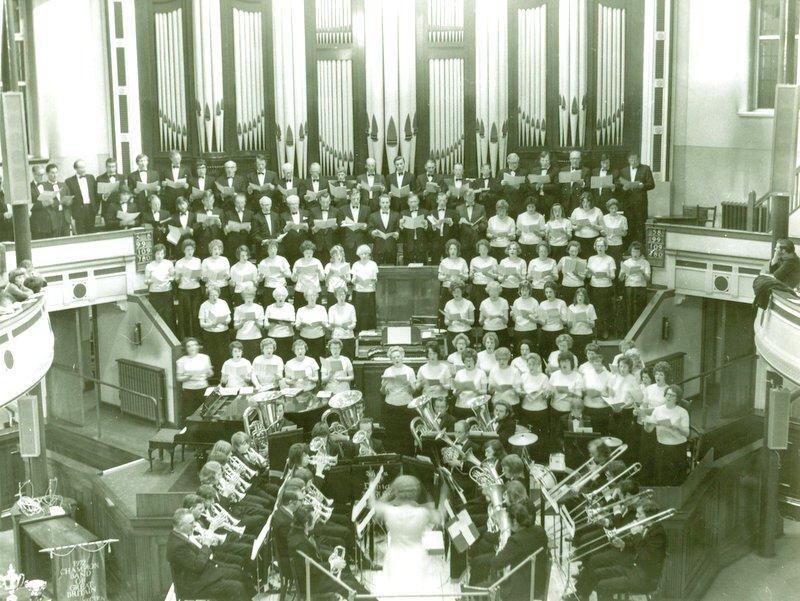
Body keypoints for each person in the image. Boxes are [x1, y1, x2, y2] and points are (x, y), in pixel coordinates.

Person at [369, 475, 445, 599]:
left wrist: (374, 485)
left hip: (394, 557)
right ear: (416, 493)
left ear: (396, 492)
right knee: (415, 594)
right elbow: (439, 517)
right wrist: (431, 495)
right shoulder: (423, 513)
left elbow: (373, 505)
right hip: (417, 556)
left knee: (397, 594)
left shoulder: (389, 511)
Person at [574, 500, 666, 601]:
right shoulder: (646, 526)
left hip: (645, 577)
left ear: (648, 517)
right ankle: (580, 596)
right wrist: (623, 544)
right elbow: (637, 548)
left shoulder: (658, 534)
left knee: (603, 585)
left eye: (639, 514)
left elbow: (646, 557)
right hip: (634, 569)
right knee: (597, 574)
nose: (636, 516)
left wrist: (637, 535)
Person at [286, 506, 372, 598]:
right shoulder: (300, 543)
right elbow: (310, 568)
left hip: (313, 578)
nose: (316, 521)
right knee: (350, 586)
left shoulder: (297, 533)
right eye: (314, 519)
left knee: (347, 577)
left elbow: (311, 560)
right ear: (306, 523)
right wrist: (331, 564)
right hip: (311, 584)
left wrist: (330, 559)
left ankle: (369, 597)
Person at [166, 509, 249, 601]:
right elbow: (197, 566)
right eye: (191, 523)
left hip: (200, 576)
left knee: (238, 573)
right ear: (181, 526)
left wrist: (201, 542)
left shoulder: (181, 535)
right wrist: (206, 544)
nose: (194, 525)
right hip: (194, 586)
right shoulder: (178, 546)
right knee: (236, 587)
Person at [646, 384, 690, 486]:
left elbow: (687, 434)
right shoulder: (657, 410)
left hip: (677, 448)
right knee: (661, 476)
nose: (669, 397)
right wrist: (647, 424)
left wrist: (677, 427)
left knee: (676, 478)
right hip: (661, 446)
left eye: (672, 395)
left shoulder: (682, 412)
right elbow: (649, 430)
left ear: (677, 398)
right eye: (668, 394)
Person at [380, 346, 416, 454]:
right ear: (391, 359)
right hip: (391, 406)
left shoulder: (409, 370)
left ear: (402, 356)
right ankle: (393, 457)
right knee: (392, 433)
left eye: (398, 356)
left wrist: (409, 384)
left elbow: (413, 391)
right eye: (394, 357)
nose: (396, 359)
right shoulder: (387, 371)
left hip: (406, 406)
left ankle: (408, 457)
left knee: (406, 434)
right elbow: (382, 392)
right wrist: (383, 386)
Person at [618, 152, 655, 244]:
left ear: (639, 159)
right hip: (628, 203)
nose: (634, 161)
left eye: (635, 159)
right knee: (629, 225)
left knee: (640, 225)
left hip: (640, 203)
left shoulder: (645, 169)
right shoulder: (623, 171)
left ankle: (640, 249)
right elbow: (620, 187)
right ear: (628, 160)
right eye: (631, 159)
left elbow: (651, 184)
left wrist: (642, 185)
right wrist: (624, 188)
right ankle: (628, 249)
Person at [176, 338, 214, 423]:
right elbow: (178, 378)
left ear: (198, 347)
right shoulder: (181, 361)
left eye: (194, 345)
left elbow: (210, 373)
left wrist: (209, 373)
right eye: (189, 346)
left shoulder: (205, 358)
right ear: (186, 348)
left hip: (203, 388)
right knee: (189, 414)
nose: (191, 347)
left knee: (204, 413)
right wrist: (187, 377)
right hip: (189, 391)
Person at [198, 284, 231, 377]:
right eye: (212, 295)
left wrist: (225, 321)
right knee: (212, 355)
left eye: (216, 295)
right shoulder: (204, 305)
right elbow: (201, 324)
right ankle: (213, 377)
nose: (214, 297)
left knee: (223, 355)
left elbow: (228, 318)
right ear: (208, 295)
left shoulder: (223, 303)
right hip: (210, 334)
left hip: (223, 333)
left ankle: (223, 376)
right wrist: (211, 325)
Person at [587, 237, 616, 340]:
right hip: (594, 287)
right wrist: (588, 273)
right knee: (595, 310)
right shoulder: (591, 259)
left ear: (606, 247)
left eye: (602, 246)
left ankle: (605, 331)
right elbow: (588, 275)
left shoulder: (610, 259)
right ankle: (596, 332)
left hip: (606, 287)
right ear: (595, 247)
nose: (600, 248)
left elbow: (613, 276)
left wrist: (606, 275)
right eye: (598, 246)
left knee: (605, 310)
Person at [549, 351, 584, 435]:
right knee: (555, 434)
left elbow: (579, 395)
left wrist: (568, 393)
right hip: (555, 409)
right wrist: (550, 393)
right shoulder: (554, 375)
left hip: (570, 411)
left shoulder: (577, 376)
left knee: (568, 435)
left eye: (566, 361)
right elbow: (550, 390)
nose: (564, 364)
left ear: (571, 363)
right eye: (561, 361)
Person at [174, 239, 203, 339]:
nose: (190, 251)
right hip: (184, 290)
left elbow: (200, 277)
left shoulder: (198, 261)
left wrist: (199, 277)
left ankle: (197, 338)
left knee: (195, 314)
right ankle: (186, 338)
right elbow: (177, 281)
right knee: (186, 315)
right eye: (187, 249)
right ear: (184, 250)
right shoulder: (179, 263)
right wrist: (180, 276)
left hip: (195, 289)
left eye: (191, 249)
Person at [620, 241, 651, 331]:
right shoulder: (626, 262)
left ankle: (638, 331)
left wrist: (641, 272)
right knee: (629, 310)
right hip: (629, 287)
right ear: (631, 251)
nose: (635, 254)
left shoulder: (645, 263)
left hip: (641, 288)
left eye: (637, 252)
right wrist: (622, 272)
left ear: (640, 252)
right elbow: (621, 279)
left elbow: (648, 279)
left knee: (639, 309)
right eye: (633, 251)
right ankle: (629, 331)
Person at [519, 353, 550, 439]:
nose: (531, 366)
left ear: (538, 364)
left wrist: (545, 394)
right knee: (526, 435)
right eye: (529, 364)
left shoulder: (544, 377)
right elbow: (519, 390)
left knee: (541, 436)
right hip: (526, 409)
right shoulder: (523, 376)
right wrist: (521, 393)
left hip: (540, 410)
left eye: (534, 364)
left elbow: (547, 395)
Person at [452, 348, 488, 419]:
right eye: (466, 361)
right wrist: (460, 390)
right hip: (461, 406)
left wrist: (475, 390)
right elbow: (454, 393)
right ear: (463, 361)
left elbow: (485, 391)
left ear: (474, 361)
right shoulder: (459, 373)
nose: (468, 363)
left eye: (470, 361)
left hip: (476, 407)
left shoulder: (481, 373)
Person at [438, 239, 469, 317]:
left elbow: (466, 277)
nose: (453, 251)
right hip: (447, 288)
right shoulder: (444, 261)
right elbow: (439, 277)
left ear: (458, 250)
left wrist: (460, 275)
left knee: (459, 309)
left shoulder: (462, 261)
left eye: (455, 249)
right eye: (451, 249)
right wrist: (446, 277)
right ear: (448, 250)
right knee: (445, 309)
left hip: (459, 289)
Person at [351, 244, 379, 332]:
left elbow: (375, 278)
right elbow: (353, 279)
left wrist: (370, 281)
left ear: (369, 254)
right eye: (362, 254)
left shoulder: (373, 264)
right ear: (358, 255)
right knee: (359, 312)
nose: (364, 256)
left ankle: (370, 331)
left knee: (369, 313)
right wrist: (355, 280)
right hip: (358, 291)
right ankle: (358, 331)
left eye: (366, 254)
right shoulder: (356, 264)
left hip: (370, 291)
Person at [256, 239, 291, 309]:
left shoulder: (282, 260)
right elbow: (259, 280)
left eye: (274, 248)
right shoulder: (263, 262)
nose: (272, 250)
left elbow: (289, 275)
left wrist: (282, 270)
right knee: (268, 309)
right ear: (267, 250)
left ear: (277, 249)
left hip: (281, 287)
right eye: (270, 248)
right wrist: (261, 275)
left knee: (282, 309)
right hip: (268, 288)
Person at [295, 288, 328, 360]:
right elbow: (297, 327)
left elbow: (326, 325)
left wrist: (321, 323)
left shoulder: (321, 308)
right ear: (306, 298)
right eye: (309, 296)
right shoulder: (301, 310)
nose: (312, 297)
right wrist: (302, 325)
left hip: (319, 339)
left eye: (314, 295)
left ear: (317, 296)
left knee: (319, 361)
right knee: (305, 361)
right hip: (305, 339)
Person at [264, 286, 295, 361]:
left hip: (287, 336)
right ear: (275, 297)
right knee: (274, 360)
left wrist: (289, 324)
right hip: (273, 336)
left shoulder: (290, 307)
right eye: (278, 296)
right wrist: (271, 325)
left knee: (287, 359)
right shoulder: (269, 307)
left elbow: (293, 322)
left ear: (285, 297)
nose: (280, 298)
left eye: (282, 296)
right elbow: (265, 325)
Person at [232, 288, 264, 361]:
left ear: (254, 297)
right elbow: (235, 327)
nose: (249, 299)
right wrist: (243, 321)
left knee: (255, 360)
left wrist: (255, 321)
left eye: (251, 297)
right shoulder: (239, 308)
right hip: (242, 337)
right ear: (243, 298)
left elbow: (261, 326)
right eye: (246, 297)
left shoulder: (259, 308)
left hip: (255, 337)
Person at [537, 282, 568, 357]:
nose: (548, 294)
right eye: (546, 292)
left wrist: (558, 316)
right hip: (545, 333)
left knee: (558, 355)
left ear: (555, 291)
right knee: (545, 355)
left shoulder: (561, 303)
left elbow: (565, 321)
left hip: (558, 332)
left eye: (550, 292)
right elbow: (542, 322)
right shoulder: (542, 304)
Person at [455, 190, 487, 264]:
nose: (471, 197)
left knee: (477, 262)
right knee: (464, 262)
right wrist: (459, 223)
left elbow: (485, 223)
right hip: (463, 240)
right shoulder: (458, 208)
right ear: (465, 197)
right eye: (469, 195)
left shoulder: (481, 207)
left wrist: (478, 227)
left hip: (476, 239)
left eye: (473, 195)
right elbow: (456, 225)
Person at [567, 287, 597, 361]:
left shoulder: (590, 307)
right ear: (575, 296)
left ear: (585, 297)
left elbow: (593, 324)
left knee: (586, 357)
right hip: (574, 334)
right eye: (578, 295)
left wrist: (586, 320)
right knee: (575, 357)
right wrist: (571, 321)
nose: (580, 297)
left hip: (586, 334)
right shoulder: (571, 307)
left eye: (582, 295)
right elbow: (569, 326)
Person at [368, 194, 400, 264]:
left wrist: (397, 233)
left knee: (392, 271)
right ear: (379, 203)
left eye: (387, 202)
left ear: (390, 203)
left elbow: (398, 228)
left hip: (391, 248)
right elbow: (369, 230)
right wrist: (372, 232)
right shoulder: (373, 216)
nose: (385, 205)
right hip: (378, 248)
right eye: (383, 203)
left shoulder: (396, 215)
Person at [327, 285, 357, 359]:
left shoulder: (351, 307)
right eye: (339, 295)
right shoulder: (332, 308)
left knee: (349, 360)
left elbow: (354, 323)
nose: (341, 296)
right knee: (337, 361)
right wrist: (342, 325)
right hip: (336, 338)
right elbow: (331, 323)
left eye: (343, 294)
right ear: (335, 296)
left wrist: (349, 327)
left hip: (349, 337)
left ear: (345, 295)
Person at [443, 283, 475, 349]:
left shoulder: (469, 303)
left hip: (466, 332)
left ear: (462, 291)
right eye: (454, 292)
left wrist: (464, 320)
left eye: (458, 291)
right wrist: (450, 321)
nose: (456, 294)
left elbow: (472, 321)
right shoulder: (448, 304)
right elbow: (446, 322)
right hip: (452, 333)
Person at [571, 193, 604, 259]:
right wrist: (577, 227)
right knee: (580, 260)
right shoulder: (576, 210)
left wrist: (592, 226)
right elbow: (571, 225)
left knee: (592, 259)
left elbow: (602, 227)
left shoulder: (597, 210)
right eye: (583, 202)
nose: (585, 204)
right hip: (579, 239)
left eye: (587, 201)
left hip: (593, 240)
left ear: (591, 202)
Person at [400, 193, 430, 264]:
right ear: (407, 203)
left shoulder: (425, 212)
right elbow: (402, 234)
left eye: (415, 201)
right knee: (407, 267)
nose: (413, 204)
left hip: (421, 244)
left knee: (422, 267)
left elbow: (430, 231)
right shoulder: (403, 213)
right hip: (408, 244)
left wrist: (426, 227)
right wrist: (401, 226)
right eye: (411, 202)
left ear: (418, 201)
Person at [469, 238, 498, 309]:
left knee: (489, 308)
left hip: (489, 288)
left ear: (488, 249)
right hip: (477, 287)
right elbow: (470, 276)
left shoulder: (493, 260)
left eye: (485, 248)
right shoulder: (474, 260)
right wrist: (472, 274)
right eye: (481, 249)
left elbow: (497, 276)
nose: (483, 251)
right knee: (477, 308)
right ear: (478, 250)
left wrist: (487, 274)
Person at [479, 281, 510, 349]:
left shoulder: (504, 301)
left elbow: (506, 322)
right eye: (491, 291)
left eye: (495, 291)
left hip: (501, 331)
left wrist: (500, 317)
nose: (493, 294)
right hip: (488, 331)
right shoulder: (484, 302)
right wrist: (485, 317)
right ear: (488, 291)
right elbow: (480, 322)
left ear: (499, 291)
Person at [516, 197, 546, 261]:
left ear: (535, 207)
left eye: (533, 207)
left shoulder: (540, 217)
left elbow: (543, 233)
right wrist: (518, 232)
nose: (531, 209)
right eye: (529, 207)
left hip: (535, 243)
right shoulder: (521, 216)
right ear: (526, 207)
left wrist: (538, 233)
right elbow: (518, 231)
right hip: (523, 242)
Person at [601, 198, 628, 267]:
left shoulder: (623, 218)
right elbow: (602, 231)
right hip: (607, 244)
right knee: (607, 263)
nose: (614, 210)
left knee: (617, 263)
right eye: (612, 208)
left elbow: (625, 233)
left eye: (615, 208)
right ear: (608, 208)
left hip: (618, 244)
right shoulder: (604, 218)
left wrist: (617, 232)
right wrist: (604, 232)